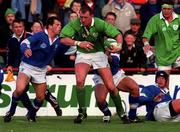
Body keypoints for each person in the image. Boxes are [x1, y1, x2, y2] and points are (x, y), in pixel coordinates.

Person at [60, 5, 123, 124]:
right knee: (79, 80)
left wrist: (119, 46)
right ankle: (82, 112)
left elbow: (117, 35)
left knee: (110, 86)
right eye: (81, 17)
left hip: (99, 53)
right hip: (83, 53)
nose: (83, 20)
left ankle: (121, 113)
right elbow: (63, 38)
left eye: (85, 17)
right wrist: (78, 43)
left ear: (92, 16)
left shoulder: (99, 23)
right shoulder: (76, 23)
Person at [3, 19, 62, 122]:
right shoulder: (40, 35)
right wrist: (25, 49)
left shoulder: (58, 39)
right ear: (50, 26)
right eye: (57, 25)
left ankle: (31, 114)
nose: (60, 27)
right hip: (27, 66)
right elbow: (25, 42)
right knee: (20, 89)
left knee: (40, 97)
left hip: (41, 70)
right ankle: (11, 112)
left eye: (60, 25)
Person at [93, 52, 142, 123]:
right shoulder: (95, 49)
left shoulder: (113, 47)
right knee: (100, 100)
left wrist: (106, 55)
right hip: (101, 78)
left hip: (115, 75)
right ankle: (107, 113)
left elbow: (114, 60)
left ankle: (132, 116)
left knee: (135, 88)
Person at [143, 0, 180, 72]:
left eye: (168, 9)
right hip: (162, 56)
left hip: (177, 53)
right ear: (161, 8)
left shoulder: (179, 19)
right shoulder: (155, 19)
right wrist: (146, 44)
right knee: (163, 79)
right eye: (164, 9)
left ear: (172, 9)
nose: (166, 11)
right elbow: (146, 35)